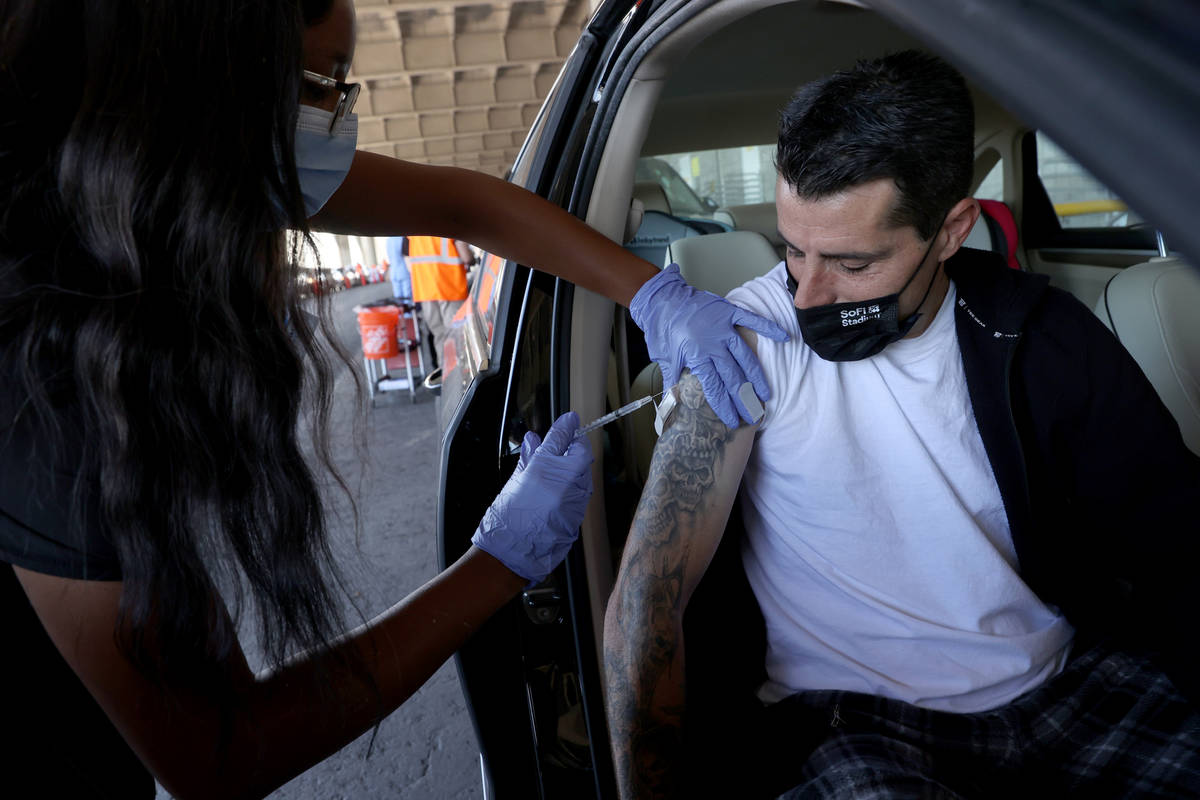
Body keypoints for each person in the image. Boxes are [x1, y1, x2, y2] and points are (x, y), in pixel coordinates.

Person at [0, 0, 788, 796]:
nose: (340, 115)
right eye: (322, 83)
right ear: (201, 94)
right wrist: (495, 564)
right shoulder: (43, 387)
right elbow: (218, 756)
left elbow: (462, 204)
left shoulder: (119, 183)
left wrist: (652, 294)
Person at [603, 51, 1200, 799]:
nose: (809, 295)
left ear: (952, 230)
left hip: (1068, 684)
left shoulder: (1042, 338)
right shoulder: (747, 341)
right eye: (793, 249)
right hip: (856, 721)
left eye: (852, 264)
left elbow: (1176, 543)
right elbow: (647, 594)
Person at [404, 235, 472, 364]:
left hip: (426, 290)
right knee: (456, 334)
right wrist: (472, 260)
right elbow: (466, 257)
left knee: (439, 335)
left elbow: (409, 265)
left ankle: (445, 374)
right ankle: (462, 372)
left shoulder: (410, 230)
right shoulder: (446, 221)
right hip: (451, 287)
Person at [384, 235, 412, 301]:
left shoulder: (388, 240)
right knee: (407, 297)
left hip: (393, 272)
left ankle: (400, 310)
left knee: (398, 298)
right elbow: (407, 255)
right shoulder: (403, 238)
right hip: (404, 271)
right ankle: (407, 311)